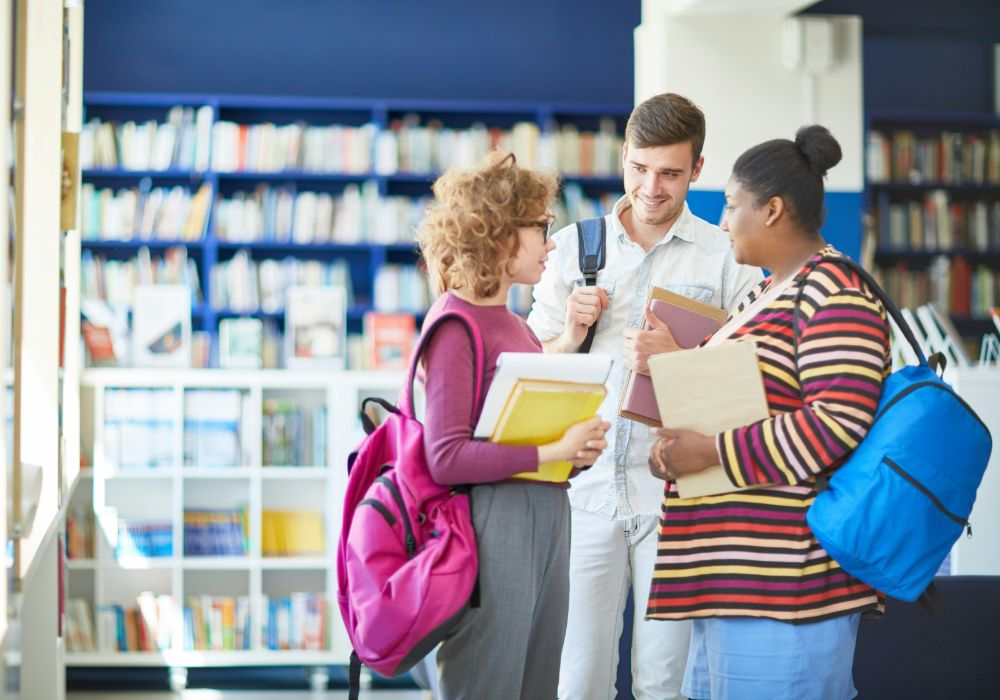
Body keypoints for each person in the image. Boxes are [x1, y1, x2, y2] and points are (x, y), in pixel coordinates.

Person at [527, 92, 762, 699]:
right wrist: (568, 336)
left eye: (670, 173)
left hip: (678, 501)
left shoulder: (729, 257)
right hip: (584, 497)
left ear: (698, 169)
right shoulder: (571, 248)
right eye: (639, 168)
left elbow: (752, 390)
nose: (651, 188)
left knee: (664, 684)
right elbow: (530, 374)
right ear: (623, 157)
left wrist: (676, 361)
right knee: (576, 683)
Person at [645, 125, 891, 700]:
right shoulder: (764, 294)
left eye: (732, 206)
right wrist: (673, 450)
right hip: (733, 576)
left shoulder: (834, 292)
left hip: (786, 585)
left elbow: (836, 423)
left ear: (773, 210)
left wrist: (709, 452)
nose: (723, 222)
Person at [415, 151, 611, 699]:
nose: (551, 244)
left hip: (546, 515)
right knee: (488, 683)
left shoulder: (515, 324)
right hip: (492, 526)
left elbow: (517, 432)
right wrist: (553, 450)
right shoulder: (455, 323)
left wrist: (575, 453)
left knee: (537, 686)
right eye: (541, 227)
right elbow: (445, 457)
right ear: (499, 232)